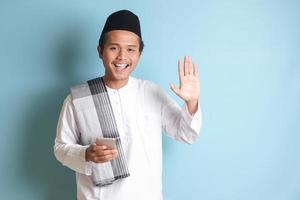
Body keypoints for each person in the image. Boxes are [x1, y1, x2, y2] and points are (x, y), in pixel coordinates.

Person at [54, 9, 202, 200]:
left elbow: (187, 134)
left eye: (131, 49)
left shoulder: (151, 92)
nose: (122, 56)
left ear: (139, 54)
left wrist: (191, 102)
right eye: (114, 48)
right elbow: (60, 148)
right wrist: (86, 154)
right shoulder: (78, 98)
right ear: (100, 51)